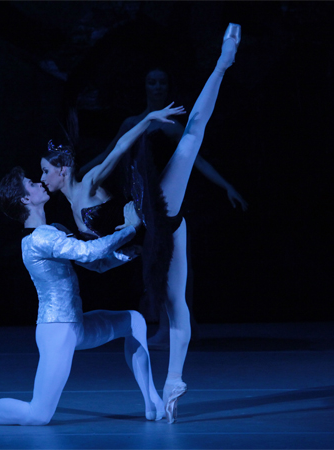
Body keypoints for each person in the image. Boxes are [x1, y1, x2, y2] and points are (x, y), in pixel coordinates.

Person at [39, 23, 243, 423]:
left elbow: (117, 148)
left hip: (157, 212)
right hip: (156, 237)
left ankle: (222, 63)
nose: (43, 176)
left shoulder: (87, 183)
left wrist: (150, 118)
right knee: (174, 302)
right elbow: (101, 259)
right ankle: (173, 384)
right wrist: (116, 252)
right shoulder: (72, 206)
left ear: (61, 171)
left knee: (189, 139)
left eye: (46, 170)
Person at [0, 167, 164, 425]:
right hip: (58, 331)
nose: (38, 183)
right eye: (31, 183)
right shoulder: (38, 239)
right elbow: (89, 252)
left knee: (134, 321)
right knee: (38, 415)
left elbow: (95, 264)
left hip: (75, 325)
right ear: (25, 199)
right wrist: (131, 229)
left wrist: (126, 254)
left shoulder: (53, 230)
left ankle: (152, 403)